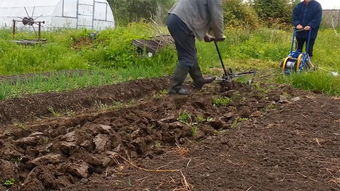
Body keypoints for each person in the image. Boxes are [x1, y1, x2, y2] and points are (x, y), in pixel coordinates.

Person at [167, 0, 225, 95]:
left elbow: (194, 12)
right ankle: (175, 88)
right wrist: (219, 35)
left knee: (190, 52)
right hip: (182, 21)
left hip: (175, 18)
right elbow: (216, 14)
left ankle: (198, 79)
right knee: (187, 57)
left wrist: (205, 36)